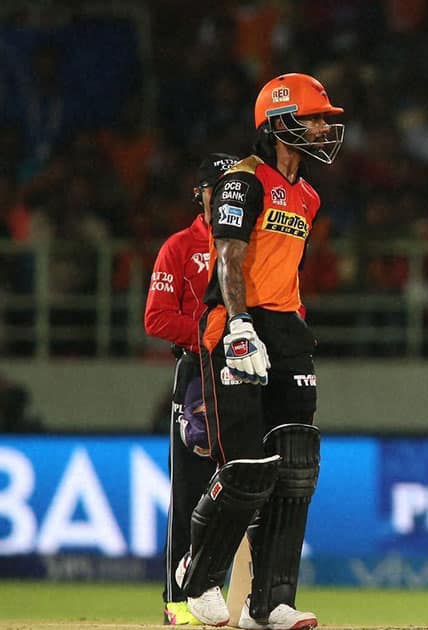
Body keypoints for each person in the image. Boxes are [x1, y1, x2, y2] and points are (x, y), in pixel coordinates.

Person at [176, 73, 345, 630]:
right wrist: (241, 326)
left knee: (296, 467)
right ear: (279, 123)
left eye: (325, 118)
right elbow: (227, 256)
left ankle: (268, 601)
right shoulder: (243, 182)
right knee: (247, 467)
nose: (324, 127)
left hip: (286, 327)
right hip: (234, 323)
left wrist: (286, 327)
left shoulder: (309, 195)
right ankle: (197, 576)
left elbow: (283, 268)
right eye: (315, 117)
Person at [144, 153, 238, 625]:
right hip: (198, 373)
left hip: (243, 372)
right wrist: (207, 332)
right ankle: (176, 601)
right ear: (200, 193)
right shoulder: (180, 247)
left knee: (242, 486)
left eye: (229, 187)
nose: (221, 195)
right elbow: (155, 317)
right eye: (213, 188)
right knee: (189, 491)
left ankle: (230, 594)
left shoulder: (248, 243)